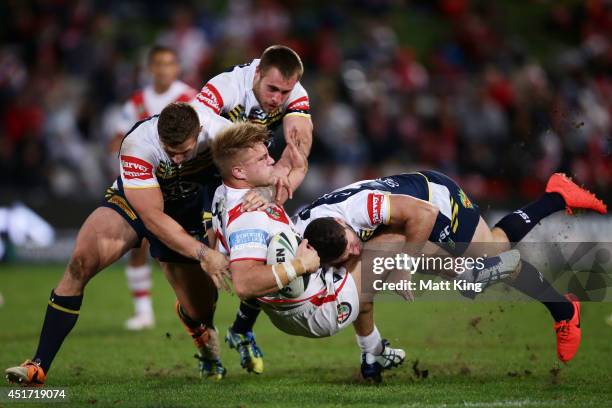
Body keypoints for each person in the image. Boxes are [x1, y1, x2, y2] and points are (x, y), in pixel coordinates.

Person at [5, 103, 232, 386]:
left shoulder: (222, 133)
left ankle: (197, 328)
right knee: (80, 262)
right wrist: (203, 252)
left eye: (184, 152)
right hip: (138, 202)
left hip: (188, 212)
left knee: (201, 310)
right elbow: (152, 217)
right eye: (169, 151)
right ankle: (38, 366)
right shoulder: (139, 142)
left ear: (199, 133)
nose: (176, 160)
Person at [295, 171, 607, 363]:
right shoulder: (303, 235)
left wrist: (403, 265)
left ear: (340, 222)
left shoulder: (357, 211)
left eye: (351, 241)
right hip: (402, 222)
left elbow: (423, 214)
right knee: (484, 262)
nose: (354, 249)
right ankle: (562, 308)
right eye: (345, 253)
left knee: (493, 252)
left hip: (435, 202)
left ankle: (556, 198)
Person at [210, 122, 406, 382]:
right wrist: (300, 265)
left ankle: (374, 354)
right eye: (262, 158)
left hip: (289, 306)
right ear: (239, 170)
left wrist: (292, 162)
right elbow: (245, 284)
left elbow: (293, 172)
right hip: (318, 309)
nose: (272, 160)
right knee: (392, 236)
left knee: (356, 266)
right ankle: (466, 272)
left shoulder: (225, 194)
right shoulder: (250, 216)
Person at [192, 44, 313, 372]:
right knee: (208, 274)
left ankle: (242, 330)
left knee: (261, 256)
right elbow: (197, 117)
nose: (277, 99)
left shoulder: (295, 95)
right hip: (205, 177)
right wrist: (243, 140)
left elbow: (299, 158)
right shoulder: (228, 85)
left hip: (249, 179)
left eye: (284, 92)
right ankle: (208, 348)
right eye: (272, 88)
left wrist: (272, 193)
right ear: (257, 73)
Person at [108, 45, 198, 331]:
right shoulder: (137, 101)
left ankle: (192, 305)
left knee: (182, 246)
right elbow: (117, 141)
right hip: (147, 181)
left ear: (177, 68)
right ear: (150, 68)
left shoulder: (189, 98)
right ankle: (144, 312)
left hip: (184, 182)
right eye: (158, 64)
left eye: (169, 63)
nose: (164, 69)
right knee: (140, 243)